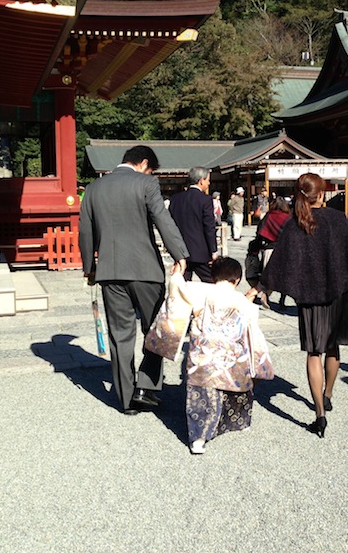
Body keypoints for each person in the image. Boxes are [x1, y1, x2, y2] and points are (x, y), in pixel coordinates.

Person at [251, 173, 348, 438]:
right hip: (338, 293)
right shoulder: (337, 220)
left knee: (313, 353)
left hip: (309, 297)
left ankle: (319, 413)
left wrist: (261, 287)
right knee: (333, 346)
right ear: (321, 194)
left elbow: (279, 263)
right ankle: (328, 393)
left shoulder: (295, 225)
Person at [79, 145, 189, 415]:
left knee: (120, 335)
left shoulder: (93, 188)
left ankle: (127, 400)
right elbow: (162, 219)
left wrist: (89, 267)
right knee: (156, 330)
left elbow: (85, 230)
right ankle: (146, 387)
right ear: (143, 163)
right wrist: (180, 254)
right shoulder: (146, 183)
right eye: (150, 169)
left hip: (109, 271)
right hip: (145, 271)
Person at [186, 257, 272, 454]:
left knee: (203, 396)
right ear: (237, 280)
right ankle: (237, 422)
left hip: (204, 356)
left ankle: (198, 438)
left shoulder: (200, 292)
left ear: (214, 277)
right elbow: (252, 327)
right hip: (232, 357)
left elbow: (180, 293)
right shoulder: (243, 301)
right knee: (238, 386)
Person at [169, 167, 218, 283]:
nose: (209, 183)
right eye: (208, 180)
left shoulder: (175, 199)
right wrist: (214, 250)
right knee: (211, 282)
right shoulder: (205, 200)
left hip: (181, 251)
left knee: (182, 285)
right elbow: (209, 227)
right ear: (201, 180)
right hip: (201, 251)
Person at [257, 196, 292, 307]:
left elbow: (260, 231)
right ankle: (282, 300)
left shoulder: (268, 216)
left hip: (269, 248)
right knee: (284, 276)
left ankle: (265, 295)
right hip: (283, 250)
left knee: (268, 275)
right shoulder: (288, 218)